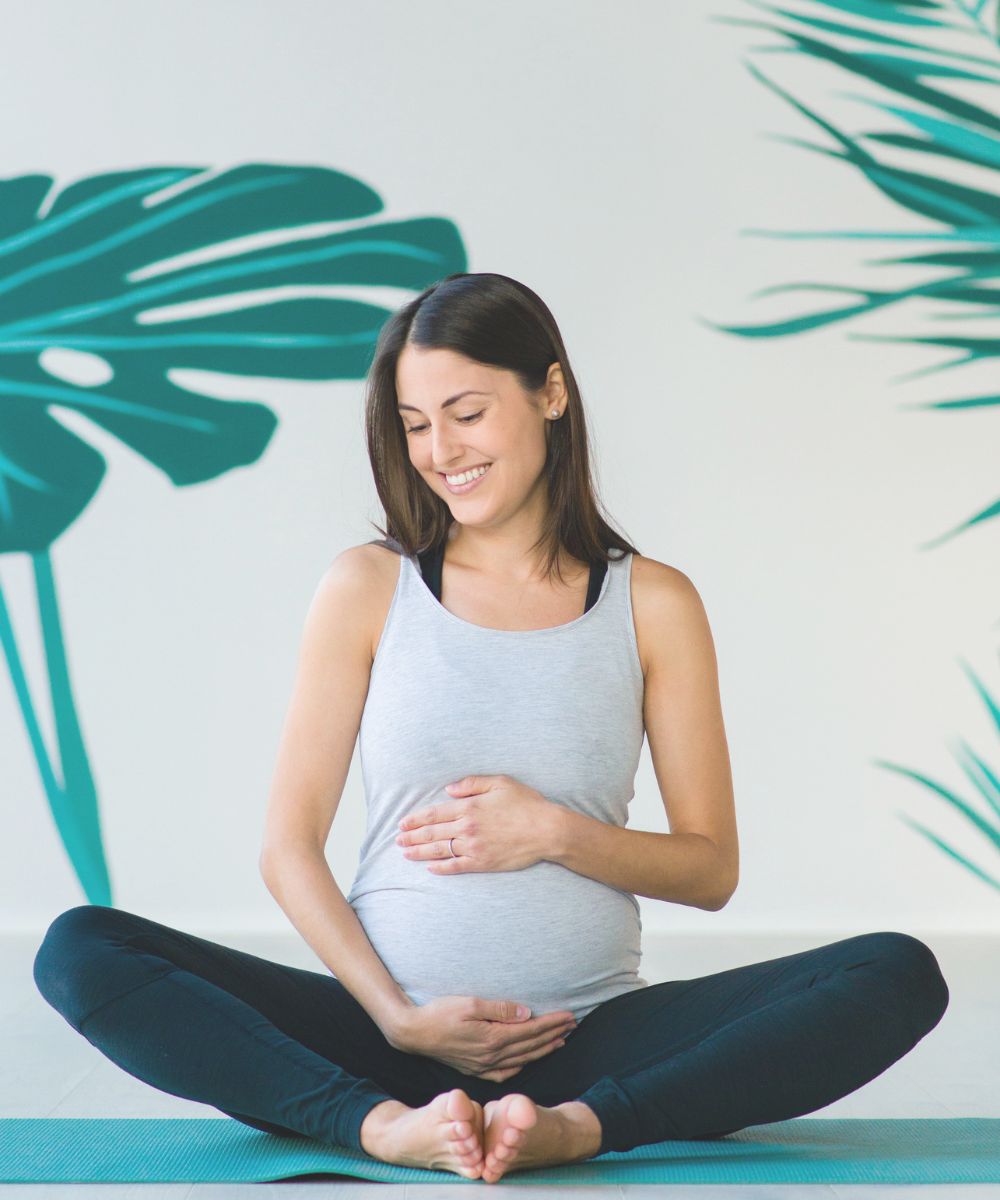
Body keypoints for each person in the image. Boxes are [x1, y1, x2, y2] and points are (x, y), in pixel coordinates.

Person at [33, 272, 950, 1184]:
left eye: (466, 413)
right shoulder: (368, 588)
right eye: (415, 422)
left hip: (589, 1037)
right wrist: (396, 1016)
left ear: (550, 393)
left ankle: (576, 1129)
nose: (440, 449)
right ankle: (381, 1126)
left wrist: (554, 831)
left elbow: (710, 870)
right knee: (81, 948)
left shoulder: (655, 603)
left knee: (897, 973)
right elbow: (288, 848)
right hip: (382, 1037)